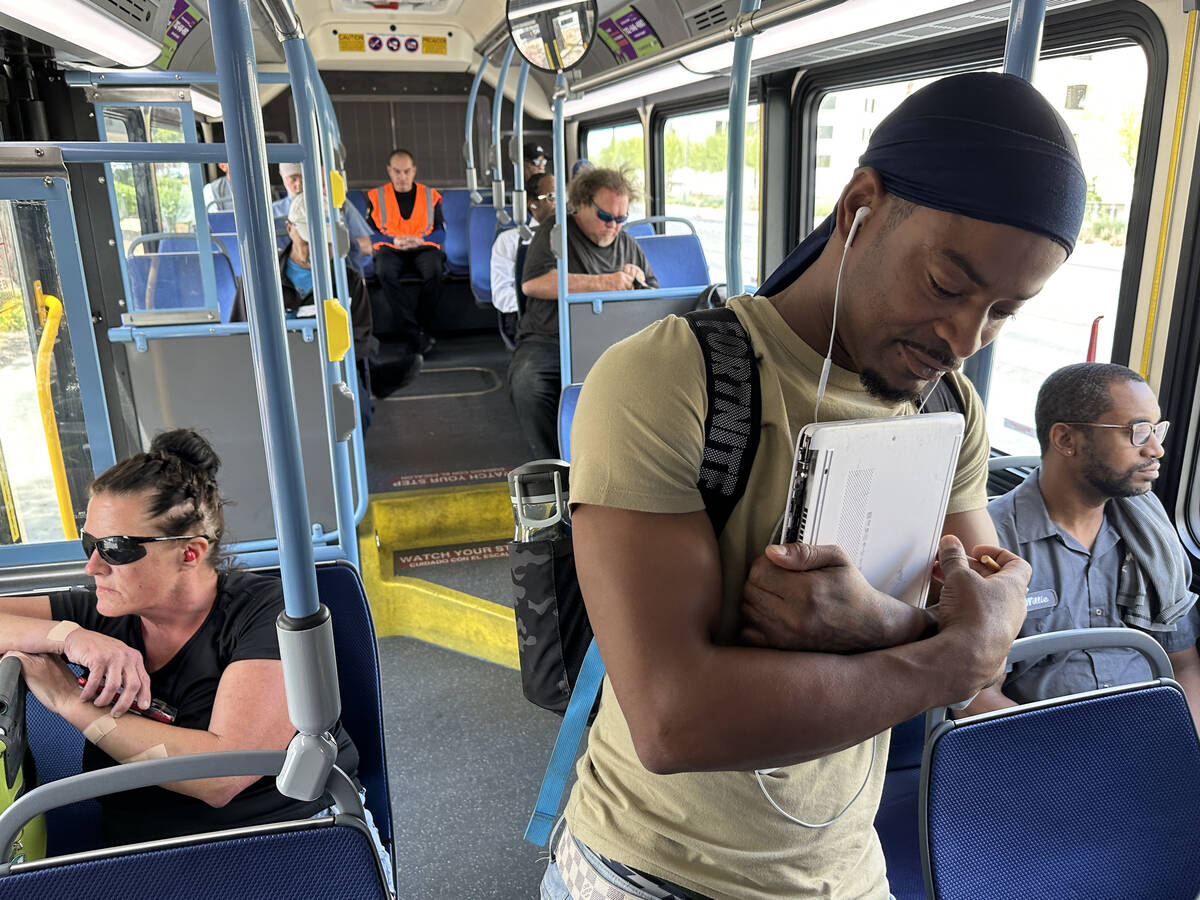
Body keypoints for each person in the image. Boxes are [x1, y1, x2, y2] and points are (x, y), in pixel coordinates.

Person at [544, 72, 1088, 900]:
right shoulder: (669, 381)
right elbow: (672, 717)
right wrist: (943, 656)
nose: (964, 338)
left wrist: (880, 622)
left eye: (1004, 311)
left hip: (844, 872)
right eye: (948, 285)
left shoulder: (949, 408)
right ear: (859, 205)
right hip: (652, 872)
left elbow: (988, 627)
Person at [0, 429, 390, 885]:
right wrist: (66, 636)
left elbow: (222, 778)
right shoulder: (103, 611)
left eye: (116, 548)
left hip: (283, 842)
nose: (93, 567)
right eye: (90, 544)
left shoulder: (264, 615)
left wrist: (74, 703)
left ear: (190, 552)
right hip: (142, 852)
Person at [968, 363, 1200, 725]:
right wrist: (1081, 759)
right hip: (1039, 741)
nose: (1156, 449)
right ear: (1065, 440)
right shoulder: (991, 541)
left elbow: (1183, 665)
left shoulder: (1150, 532)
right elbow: (975, 698)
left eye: (1157, 430)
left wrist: (1179, 743)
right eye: (1138, 432)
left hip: (1148, 731)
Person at [511, 166, 658, 460]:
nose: (613, 226)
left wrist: (637, 280)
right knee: (528, 384)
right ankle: (556, 467)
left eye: (621, 219)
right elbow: (534, 283)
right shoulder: (557, 232)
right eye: (605, 217)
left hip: (613, 342)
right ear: (582, 203)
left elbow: (654, 295)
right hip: (551, 339)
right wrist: (604, 283)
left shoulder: (626, 243)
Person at [366, 148, 444, 358]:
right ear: (389, 171)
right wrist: (393, 240)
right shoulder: (375, 197)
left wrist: (421, 240)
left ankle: (419, 327)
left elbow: (440, 233)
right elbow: (369, 234)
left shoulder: (431, 195)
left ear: (414, 171)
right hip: (391, 248)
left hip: (423, 246)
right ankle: (414, 332)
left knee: (435, 271)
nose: (402, 177)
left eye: (407, 172)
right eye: (398, 172)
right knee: (384, 272)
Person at [490, 171, 556, 347]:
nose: (559, 203)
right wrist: (538, 307)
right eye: (551, 197)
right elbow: (501, 294)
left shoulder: (572, 238)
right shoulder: (509, 240)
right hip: (524, 314)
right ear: (533, 204)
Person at [273, 162, 374, 275]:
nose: (299, 184)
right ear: (283, 178)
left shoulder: (336, 205)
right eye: (293, 179)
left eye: (303, 178)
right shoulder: (271, 213)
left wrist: (331, 246)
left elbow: (366, 247)